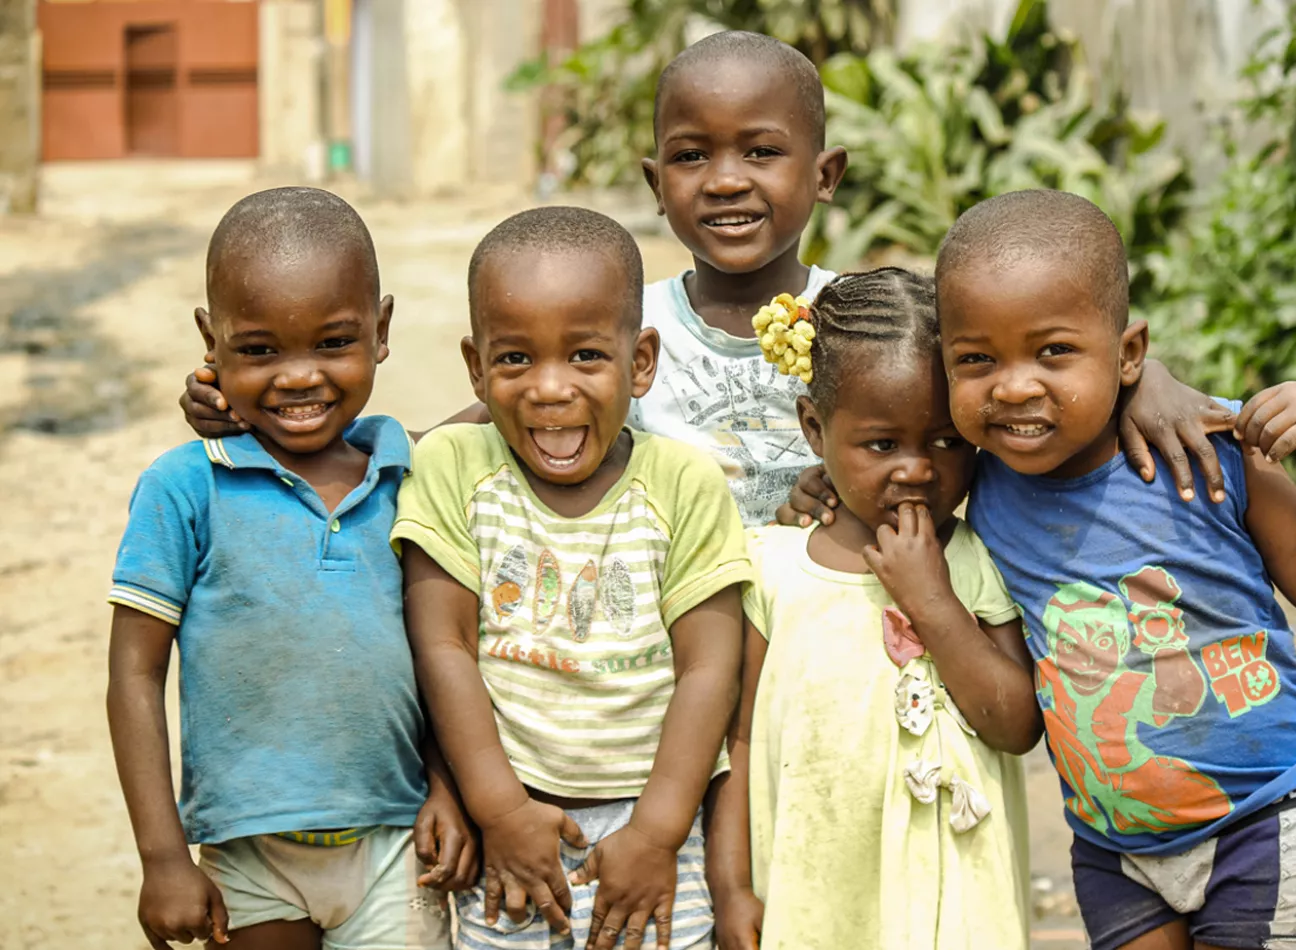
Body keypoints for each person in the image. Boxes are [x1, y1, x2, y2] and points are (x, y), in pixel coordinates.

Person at [179, 31, 1231, 528]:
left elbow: (1022, 357)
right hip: (674, 657)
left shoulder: (872, 318)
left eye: (760, 152)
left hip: (844, 640)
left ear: (825, 176)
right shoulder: (616, 333)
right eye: (691, 155)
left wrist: (1154, 381)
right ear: (654, 179)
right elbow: (478, 419)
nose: (724, 181)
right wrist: (272, 411)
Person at [937, 189, 1296, 950]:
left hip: (1261, 815)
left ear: (1130, 354)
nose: (1012, 385)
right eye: (976, 359)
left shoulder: (1207, 448)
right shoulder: (981, 483)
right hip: (1113, 846)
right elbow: (884, 445)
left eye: (1053, 352)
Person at [106, 187, 476, 950]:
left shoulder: (409, 471)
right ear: (211, 341)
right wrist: (162, 856)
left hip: (397, 841)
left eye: (334, 343)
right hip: (246, 857)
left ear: (382, 331)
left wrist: (449, 788)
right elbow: (134, 676)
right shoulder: (184, 487)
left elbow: (437, 655)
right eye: (260, 350)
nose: (298, 377)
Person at [392, 206, 751, 950]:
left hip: (655, 828)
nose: (549, 389)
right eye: (515, 359)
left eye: (586, 356)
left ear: (641, 361)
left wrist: (656, 832)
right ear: (475, 366)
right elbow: (443, 647)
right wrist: (499, 812)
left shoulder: (683, 483)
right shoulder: (454, 468)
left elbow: (710, 669)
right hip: (511, 822)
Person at [708, 268, 1042, 950]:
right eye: (882, 445)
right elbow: (740, 742)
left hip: (957, 908)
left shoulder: (980, 561)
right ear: (813, 428)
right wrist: (731, 885)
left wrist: (930, 599)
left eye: (948, 442)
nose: (918, 469)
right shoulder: (773, 569)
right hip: (816, 897)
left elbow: (1017, 725)